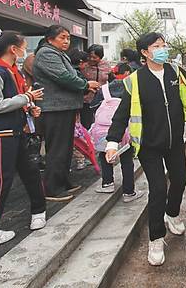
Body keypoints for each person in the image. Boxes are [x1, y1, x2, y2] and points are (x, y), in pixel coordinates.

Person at [105, 32, 186, 266]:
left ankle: (172, 214)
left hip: (174, 142)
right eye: (157, 46)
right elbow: (121, 115)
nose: (163, 49)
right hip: (148, 146)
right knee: (157, 190)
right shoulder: (134, 81)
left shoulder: (175, 72)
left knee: (181, 180)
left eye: (164, 45)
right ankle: (155, 238)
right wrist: (113, 142)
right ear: (145, 52)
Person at [0, 30, 47, 250]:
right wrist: (25, 98)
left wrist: (29, 107)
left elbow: (15, 100)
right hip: (1, 136)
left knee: (31, 172)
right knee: (0, 181)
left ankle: (38, 211)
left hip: (16, 132)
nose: (26, 50)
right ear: (13, 50)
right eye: (24, 46)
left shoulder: (13, 72)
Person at [33, 25, 99, 202]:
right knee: (57, 149)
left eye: (68, 38)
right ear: (50, 39)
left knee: (66, 148)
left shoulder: (58, 53)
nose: (66, 41)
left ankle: (63, 181)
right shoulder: (47, 54)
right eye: (62, 37)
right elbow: (63, 77)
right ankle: (52, 188)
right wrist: (85, 85)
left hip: (64, 107)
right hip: (55, 108)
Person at [90, 64, 144, 202]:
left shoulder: (104, 89)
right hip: (125, 128)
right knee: (127, 160)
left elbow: (93, 106)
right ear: (127, 73)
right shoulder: (132, 87)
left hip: (103, 130)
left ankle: (107, 183)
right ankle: (129, 192)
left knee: (104, 155)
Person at [81, 44, 111, 129]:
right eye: (90, 56)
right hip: (86, 100)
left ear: (100, 57)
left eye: (95, 57)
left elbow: (112, 80)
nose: (91, 59)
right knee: (87, 124)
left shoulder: (106, 65)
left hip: (102, 100)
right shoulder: (84, 66)